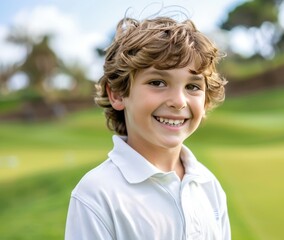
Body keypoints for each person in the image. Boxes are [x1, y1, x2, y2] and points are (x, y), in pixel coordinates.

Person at [65, 13, 230, 240]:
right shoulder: (96, 194)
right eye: (158, 82)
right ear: (118, 94)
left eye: (192, 86)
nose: (179, 101)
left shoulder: (208, 185)